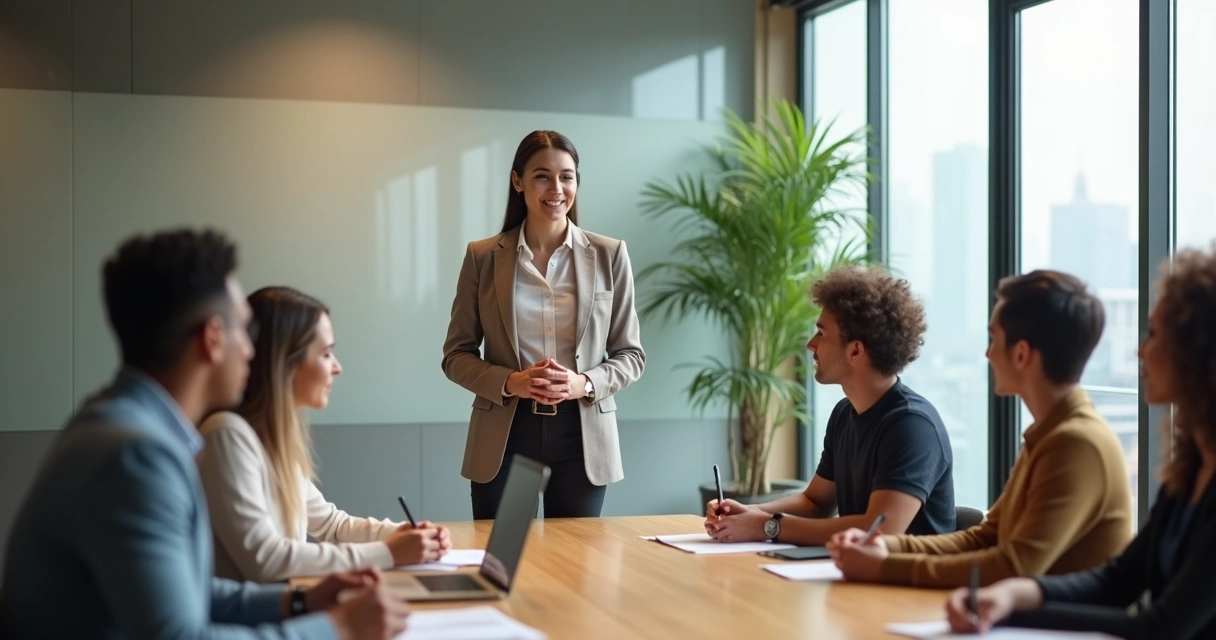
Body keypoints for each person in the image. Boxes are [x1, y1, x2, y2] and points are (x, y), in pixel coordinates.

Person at [0, 229, 408, 639]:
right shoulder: (138, 456)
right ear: (212, 339)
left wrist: (299, 602)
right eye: (243, 332)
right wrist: (334, 629)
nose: (252, 351)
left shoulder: (116, 422)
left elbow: (188, 591)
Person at [948, 247, 1216, 639]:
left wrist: (1012, 612)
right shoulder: (1190, 470)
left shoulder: (1079, 441)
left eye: (1154, 334)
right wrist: (1010, 596)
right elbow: (1116, 582)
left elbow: (1162, 627)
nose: (1140, 350)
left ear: (1200, 352)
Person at [828, 270, 1133, 586]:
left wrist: (884, 566)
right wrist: (884, 546)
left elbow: (1013, 565)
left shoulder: (1077, 443)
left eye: (994, 339)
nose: (987, 354)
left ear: (1021, 354)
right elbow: (985, 538)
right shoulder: (1049, 435)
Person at [442, 130, 645, 519]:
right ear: (518, 181)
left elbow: (631, 355)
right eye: (542, 176)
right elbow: (456, 355)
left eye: (566, 176)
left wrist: (582, 383)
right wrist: (510, 381)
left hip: (582, 437)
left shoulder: (610, 255)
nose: (556, 188)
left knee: (576, 568)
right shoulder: (483, 258)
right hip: (507, 432)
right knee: (503, 563)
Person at [199, 286, 450, 582]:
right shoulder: (226, 437)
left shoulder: (272, 437)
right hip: (253, 620)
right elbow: (266, 559)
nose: (337, 367)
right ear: (286, 362)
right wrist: (389, 552)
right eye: (327, 354)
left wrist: (400, 535)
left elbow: (331, 525)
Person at [706, 265, 955, 545]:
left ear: (855, 351)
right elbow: (815, 503)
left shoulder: (912, 426)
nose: (811, 345)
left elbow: (877, 532)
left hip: (905, 587)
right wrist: (749, 513)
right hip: (855, 579)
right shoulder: (843, 415)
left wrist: (766, 526)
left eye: (822, 334)